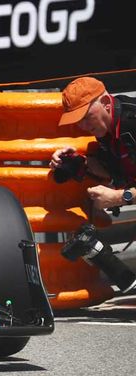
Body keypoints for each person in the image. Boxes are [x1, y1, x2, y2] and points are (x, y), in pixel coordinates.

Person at [51, 76, 136, 295]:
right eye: (78, 120)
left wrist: (119, 197)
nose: (83, 126)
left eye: (87, 117)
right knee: (86, 243)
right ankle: (126, 280)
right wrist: (78, 162)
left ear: (106, 103)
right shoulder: (108, 129)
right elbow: (116, 171)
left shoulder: (132, 121)